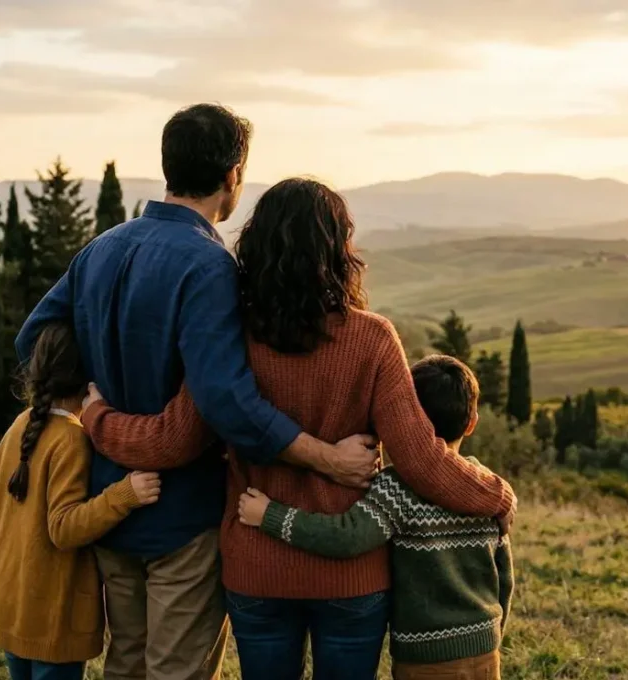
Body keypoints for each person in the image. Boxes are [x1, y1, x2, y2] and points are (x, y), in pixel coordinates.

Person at [82, 177, 516, 679]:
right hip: (351, 577)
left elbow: (172, 439)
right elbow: (420, 458)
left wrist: (96, 418)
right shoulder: (373, 339)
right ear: (339, 251)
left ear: (257, 250)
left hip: (257, 568)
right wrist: (495, 495)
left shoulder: (232, 339)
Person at [14, 104, 379, 680]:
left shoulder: (101, 248)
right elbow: (227, 402)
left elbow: (32, 340)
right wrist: (326, 457)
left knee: (126, 664)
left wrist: (91, 405)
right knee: (175, 671)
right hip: (183, 515)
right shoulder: (210, 266)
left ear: (169, 164)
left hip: (108, 505)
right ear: (233, 174)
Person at [237, 354, 513, 680]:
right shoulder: (484, 487)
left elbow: (347, 536)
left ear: (404, 419)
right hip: (485, 651)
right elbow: (504, 577)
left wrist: (269, 514)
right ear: (472, 423)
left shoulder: (398, 489)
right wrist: (492, 633)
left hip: (425, 660)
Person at [0, 322, 162, 680]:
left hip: (11, 605)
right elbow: (63, 528)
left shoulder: (19, 426)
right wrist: (124, 495)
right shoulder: (71, 439)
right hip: (51, 615)